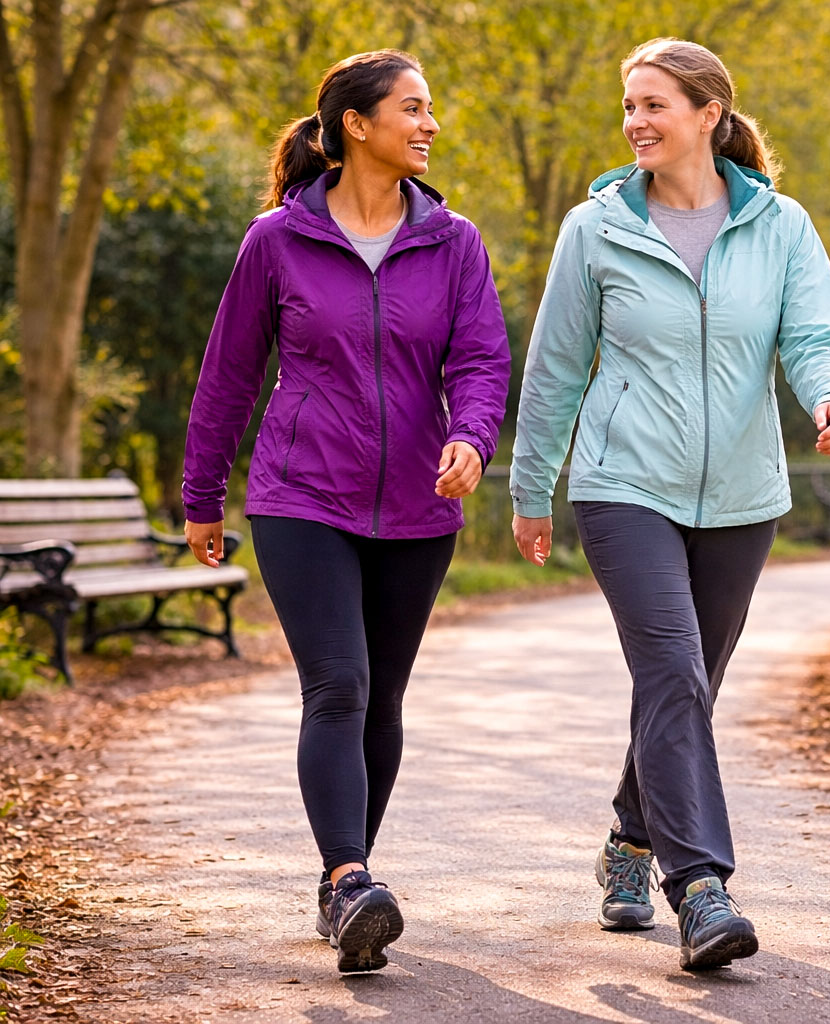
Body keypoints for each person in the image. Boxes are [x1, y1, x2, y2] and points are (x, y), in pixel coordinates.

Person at [509, 37, 830, 972]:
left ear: (709, 114)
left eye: (655, 104)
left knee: (688, 682)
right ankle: (700, 885)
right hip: (624, 485)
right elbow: (553, 368)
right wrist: (531, 486)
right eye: (629, 105)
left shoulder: (781, 226)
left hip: (743, 495)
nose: (635, 122)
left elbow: (816, 331)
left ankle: (628, 844)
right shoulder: (596, 229)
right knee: (673, 672)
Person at [182, 49, 510, 974]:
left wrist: (472, 440)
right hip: (302, 497)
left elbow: (481, 361)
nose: (429, 124)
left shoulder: (454, 242)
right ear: (357, 125)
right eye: (412, 108)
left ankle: (348, 892)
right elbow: (230, 376)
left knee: (384, 698)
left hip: (418, 500)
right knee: (339, 685)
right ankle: (349, 877)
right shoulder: (276, 241)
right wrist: (201, 496)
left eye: (430, 107)